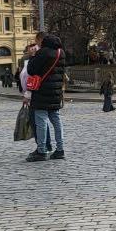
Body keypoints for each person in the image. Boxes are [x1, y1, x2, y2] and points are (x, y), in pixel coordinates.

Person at [24, 33, 66, 161]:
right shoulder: (61, 52)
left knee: (41, 121)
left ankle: (41, 150)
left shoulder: (43, 52)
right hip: (56, 92)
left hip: (42, 92)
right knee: (56, 120)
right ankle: (60, 149)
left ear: (42, 41)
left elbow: (31, 70)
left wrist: (32, 56)